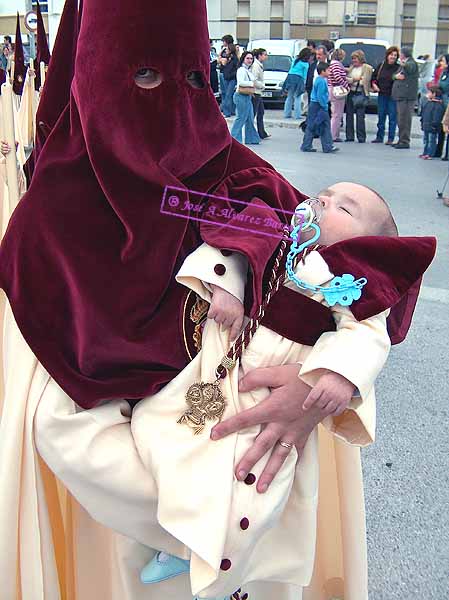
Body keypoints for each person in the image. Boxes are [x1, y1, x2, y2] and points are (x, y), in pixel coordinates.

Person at [35, 183, 436, 599]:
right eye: (325, 193)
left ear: (365, 241)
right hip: (215, 368)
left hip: (266, 394)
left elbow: (368, 335)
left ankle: (211, 555)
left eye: (343, 209)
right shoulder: (278, 233)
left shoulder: (351, 280)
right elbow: (234, 244)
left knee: (256, 483)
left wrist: (335, 374)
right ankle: (182, 537)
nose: (323, 201)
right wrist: (225, 285)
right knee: (158, 435)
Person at [301, 62, 337, 153]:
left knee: (312, 125)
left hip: (315, 105)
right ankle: (327, 146)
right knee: (324, 125)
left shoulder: (319, 79)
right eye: (328, 70)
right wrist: (325, 105)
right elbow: (320, 95)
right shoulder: (321, 81)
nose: (330, 72)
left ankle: (307, 145)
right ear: (323, 71)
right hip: (319, 105)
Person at [371, 46, 400, 144]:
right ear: (387, 55)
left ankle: (391, 138)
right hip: (382, 94)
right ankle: (379, 137)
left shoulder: (398, 67)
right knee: (381, 116)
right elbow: (374, 77)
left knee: (392, 117)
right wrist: (374, 85)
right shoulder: (381, 65)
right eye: (391, 55)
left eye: (395, 55)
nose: (393, 57)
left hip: (393, 95)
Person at [391, 47, 419, 149]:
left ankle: (405, 141)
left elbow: (409, 68)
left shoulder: (411, 63)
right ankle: (400, 139)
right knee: (400, 119)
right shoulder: (404, 63)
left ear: (404, 54)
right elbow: (394, 75)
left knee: (405, 119)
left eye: (400, 53)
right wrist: (396, 76)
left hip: (407, 96)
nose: (399, 55)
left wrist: (403, 64)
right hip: (401, 96)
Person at [231, 51, 260, 145]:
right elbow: (240, 82)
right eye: (247, 58)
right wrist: (253, 84)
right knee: (241, 118)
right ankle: (234, 139)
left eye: (251, 58)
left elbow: (255, 81)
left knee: (249, 118)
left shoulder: (247, 70)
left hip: (247, 96)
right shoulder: (241, 70)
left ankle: (251, 139)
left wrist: (261, 86)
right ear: (243, 59)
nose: (249, 60)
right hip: (241, 96)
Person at [345, 50, 373, 143]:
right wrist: (354, 79)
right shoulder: (351, 68)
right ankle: (349, 136)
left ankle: (361, 137)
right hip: (351, 93)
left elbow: (364, 81)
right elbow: (346, 79)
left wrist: (352, 80)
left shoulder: (367, 68)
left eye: (355, 58)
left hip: (361, 93)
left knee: (360, 117)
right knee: (349, 115)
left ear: (360, 58)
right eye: (352, 58)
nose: (353, 60)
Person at [327, 48, 349, 142]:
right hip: (337, 89)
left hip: (331, 89)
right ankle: (333, 135)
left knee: (334, 113)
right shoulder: (336, 64)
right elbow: (337, 76)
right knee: (337, 114)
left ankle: (333, 134)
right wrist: (346, 85)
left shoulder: (331, 64)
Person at [283, 47, 311, 119]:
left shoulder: (295, 60)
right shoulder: (306, 64)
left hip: (290, 77)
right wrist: (304, 84)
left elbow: (291, 69)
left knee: (289, 96)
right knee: (297, 97)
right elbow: (305, 75)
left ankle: (287, 114)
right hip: (299, 79)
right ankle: (297, 115)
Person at [419, 86, 445, 159]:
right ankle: (425, 152)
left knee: (431, 141)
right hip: (426, 125)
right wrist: (422, 122)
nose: (427, 94)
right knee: (426, 140)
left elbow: (437, 116)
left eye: (429, 92)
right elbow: (423, 113)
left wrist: (434, 125)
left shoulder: (438, 105)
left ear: (434, 94)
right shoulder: (428, 102)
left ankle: (430, 154)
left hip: (432, 126)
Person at [250, 47, 270, 139]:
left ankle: (262, 133)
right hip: (256, 92)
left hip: (259, 92)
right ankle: (251, 132)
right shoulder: (256, 66)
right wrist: (262, 85)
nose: (266, 57)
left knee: (261, 112)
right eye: (265, 55)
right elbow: (254, 79)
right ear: (259, 55)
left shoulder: (259, 65)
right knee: (253, 113)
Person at [220, 42, 239, 117]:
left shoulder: (235, 59)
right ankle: (231, 111)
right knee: (226, 94)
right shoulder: (227, 58)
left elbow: (236, 69)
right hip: (226, 78)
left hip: (231, 79)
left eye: (227, 49)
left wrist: (231, 75)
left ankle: (227, 112)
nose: (226, 51)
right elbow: (223, 67)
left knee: (228, 95)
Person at [437, 55, 449, 160]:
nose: (441, 62)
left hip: (448, 102)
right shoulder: (443, 73)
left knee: (447, 127)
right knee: (441, 127)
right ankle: (438, 150)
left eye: (443, 61)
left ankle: (448, 153)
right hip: (441, 102)